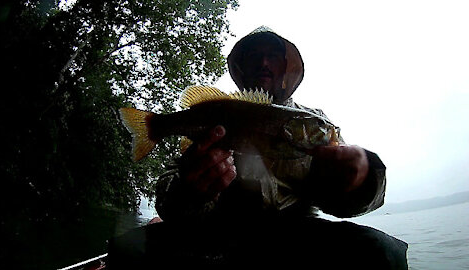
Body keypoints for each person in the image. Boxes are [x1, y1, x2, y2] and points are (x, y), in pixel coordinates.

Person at [108, 26, 408, 269]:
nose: (263, 63)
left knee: (383, 252)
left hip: (292, 238)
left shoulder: (314, 125)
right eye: (254, 56)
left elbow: (349, 204)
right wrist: (190, 192)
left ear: (286, 68)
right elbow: (169, 200)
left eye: (272, 56)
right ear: (242, 67)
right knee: (125, 249)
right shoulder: (217, 116)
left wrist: (362, 178)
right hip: (217, 235)